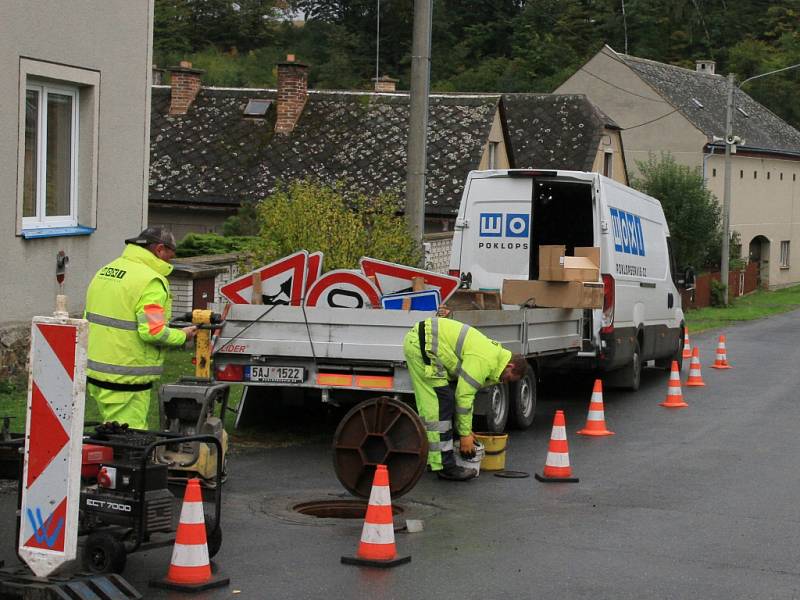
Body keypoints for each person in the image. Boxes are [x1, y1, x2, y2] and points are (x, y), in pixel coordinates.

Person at [84, 227, 197, 429]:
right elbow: (153, 331)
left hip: (97, 372)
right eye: (170, 256)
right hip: (127, 378)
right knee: (129, 442)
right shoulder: (150, 281)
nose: (170, 262)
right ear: (160, 250)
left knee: (110, 430)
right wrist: (182, 335)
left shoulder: (107, 270)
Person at [403, 316, 528, 481]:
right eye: (508, 378)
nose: (504, 381)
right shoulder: (485, 361)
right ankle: (444, 466)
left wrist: (466, 431)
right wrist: (464, 435)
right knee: (441, 405)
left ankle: (435, 458)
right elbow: (464, 398)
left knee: (442, 403)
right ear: (510, 366)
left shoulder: (494, 357)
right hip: (425, 345)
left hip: (428, 343)